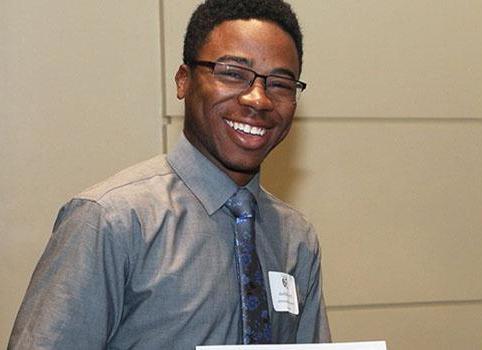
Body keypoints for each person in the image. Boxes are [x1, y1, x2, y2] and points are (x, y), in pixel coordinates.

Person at [9, 0, 330, 348]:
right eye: (233, 74)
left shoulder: (296, 238)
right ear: (183, 81)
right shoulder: (111, 221)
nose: (258, 99)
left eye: (280, 83)